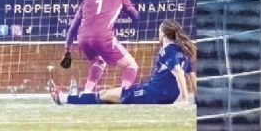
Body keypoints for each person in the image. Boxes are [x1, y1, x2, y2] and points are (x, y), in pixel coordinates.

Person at [48, 21, 194, 105]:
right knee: (109, 96)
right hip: (159, 92)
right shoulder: (183, 52)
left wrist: (184, 98)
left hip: (153, 93)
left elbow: (179, 72)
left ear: (162, 34)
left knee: (104, 95)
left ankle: (63, 98)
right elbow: (191, 75)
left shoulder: (167, 50)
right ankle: (67, 97)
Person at [59, 0, 140, 94]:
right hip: (102, 38)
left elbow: (73, 28)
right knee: (131, 65)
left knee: (99, 62)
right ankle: (124, 94)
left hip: (83, 39)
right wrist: (123, 6)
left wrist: (67, 51)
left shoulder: (86, 1)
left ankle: (87, 92)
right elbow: (136, 17)